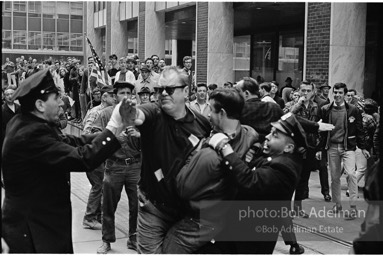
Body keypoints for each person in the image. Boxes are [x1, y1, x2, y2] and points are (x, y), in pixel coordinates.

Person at [1, 69, 121, 253]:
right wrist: (114, 127)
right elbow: (82, 159)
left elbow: (69, 141)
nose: (61, 104)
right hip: (36, 234)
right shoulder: (31, 134)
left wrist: (109, 136)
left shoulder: (27, 122)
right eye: (56, 98)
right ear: (40, 104)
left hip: (39, 225)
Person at [114, 66, 211, 253]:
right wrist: (130, 115)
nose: (163, 94)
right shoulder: (154, 113)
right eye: (159, 90)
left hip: (186, 212)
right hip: (154, 209)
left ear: (185, 91)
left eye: (170, 89)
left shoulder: (201, 123)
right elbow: (140, 116)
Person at [161, 88, 259, 253]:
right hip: (223, 216)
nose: (207, 115)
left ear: (221, 113)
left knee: (171, 245)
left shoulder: (209, 155)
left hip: (198, 221)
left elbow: (182, 188)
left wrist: (194, 154)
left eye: (211, 110)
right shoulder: (249, 134)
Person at [207, 112, 309, 254]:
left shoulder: (283, 169)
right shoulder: (275, 157)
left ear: (289, 148)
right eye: (271, 132)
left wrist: (225, 148)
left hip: (248, 242)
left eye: (275, 135)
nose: (267, 136)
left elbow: (249, 180)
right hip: (238, 234)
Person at [95, 81, 141, 253]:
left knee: (136, 205)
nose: (126, 96)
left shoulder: (139, 113)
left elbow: (151, 138)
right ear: (115, 96)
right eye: (122, 93)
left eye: (129, 93)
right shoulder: (106, 113)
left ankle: (134, 238)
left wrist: (139, 134)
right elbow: (94, 136)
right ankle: (106, 240)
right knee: (108, 205)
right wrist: (114, 135)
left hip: (135, 164)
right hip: (114, 165)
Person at [318, 82, 369, 219]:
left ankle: (353, 207)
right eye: (335, 92)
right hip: (332, 147)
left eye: (340, 93)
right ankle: (337, 204)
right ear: (332, 93)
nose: (337, 95)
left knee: (351, 175)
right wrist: (320, 149)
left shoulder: (353, 110)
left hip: (348, 147)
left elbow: (359, 130)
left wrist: (363, 147)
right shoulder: (325, 109)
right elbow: (321, 132)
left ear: (345, 95)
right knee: (334, 178)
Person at [82, 86, 116, 231]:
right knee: (98, 186)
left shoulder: (110, 112)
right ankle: (89, 217)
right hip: (93, 153)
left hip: (100, 154)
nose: (115, 99)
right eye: (112, 96)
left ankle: (95, 216)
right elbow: (87, 131)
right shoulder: (96, 112)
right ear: (104, 97)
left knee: (101, 185)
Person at [290, 80, 324, 216]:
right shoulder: (293, 105)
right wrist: (299, 104)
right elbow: (289, 117)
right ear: (299, 91)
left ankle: (298, 207)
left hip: (310, 146)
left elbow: (320, 127)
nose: (305, 93)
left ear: (313, 92)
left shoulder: (317, 107)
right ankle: (286, 208)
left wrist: (319, 147)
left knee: (304, 178)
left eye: (308, 91)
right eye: (303, 90)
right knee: (292, 177)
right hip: (295, 146)